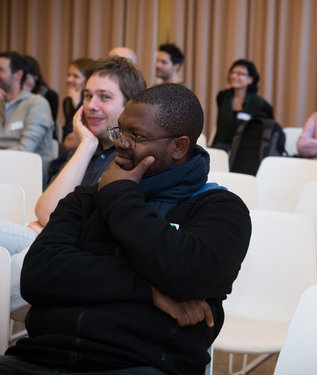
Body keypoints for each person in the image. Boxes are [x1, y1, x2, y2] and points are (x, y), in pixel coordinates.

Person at [0, 83, 252, 374]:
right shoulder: (85, 199)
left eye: (137, 136)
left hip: (141, 365)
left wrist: (120, 195)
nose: (121, 142)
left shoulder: (219, 208)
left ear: (179, 147)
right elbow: (38, 275)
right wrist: (150, 290)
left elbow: (185, 274)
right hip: (40, 359)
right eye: (120, 131)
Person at [0, 56, 146, 313]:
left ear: (129, 107)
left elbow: (47, 216)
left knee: (20, 265)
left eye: (104, 97)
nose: (91, 105)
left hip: (76, 254)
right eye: (88, 96)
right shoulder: (88, 147)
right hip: (50, 238)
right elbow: (45, 210)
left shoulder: (129, 157)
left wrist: (46, 225)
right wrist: (87, 146)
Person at [0, 51, 54, 182]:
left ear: (18, 75)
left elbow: (26, 150)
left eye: (1, 70)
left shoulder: (37, 104)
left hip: (25, 177)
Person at [47, 57, 94, 182]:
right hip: (67, 157)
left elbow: (71, 140)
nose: (69, 79)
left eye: (76, 76)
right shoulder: (68, 101)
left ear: (87, 79)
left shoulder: (90, 104)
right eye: (68, 75)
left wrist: (76, 106)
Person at [211, 59, 274, 151]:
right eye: (232, 72)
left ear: (250, 79)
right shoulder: (222, 96)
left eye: (240, 74)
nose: (234, 76)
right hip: (220, 147)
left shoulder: (260, 104)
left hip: (245, 151)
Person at [22, 54, 59, 122]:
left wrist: (26, 96)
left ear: (35, 76)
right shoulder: (12, 94)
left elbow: (48, 122)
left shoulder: (50, 95)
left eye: (25, 78)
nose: (21, 82)